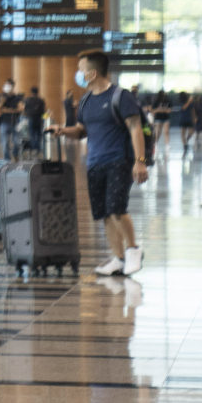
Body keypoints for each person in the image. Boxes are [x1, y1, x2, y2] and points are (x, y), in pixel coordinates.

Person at [53, 48, 147, 278]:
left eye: (81, 70)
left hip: (119, 160)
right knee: (104, 213)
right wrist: (62, 130)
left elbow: (135, 128)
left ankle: (134, 249)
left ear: (93, 73)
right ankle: (118, 258)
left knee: (116, 208)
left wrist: (140, 161)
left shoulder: (120, 96)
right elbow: (82, 131)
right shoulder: (85, 101)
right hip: (94, 163)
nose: (79, 74)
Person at [0, 77, 24, 161]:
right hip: (4, 122)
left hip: (15, 122)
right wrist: (3, 102)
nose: (6, 87)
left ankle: (15, 154)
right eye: (6, 85)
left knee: (17, 142)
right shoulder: (1, 96)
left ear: (12, 86)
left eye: (8, 85)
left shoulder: (17, 97)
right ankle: (6, 160)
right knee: (5, 143)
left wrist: (8, 110)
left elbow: (21, 108)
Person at [22, 86, 47, 159]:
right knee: (39, 134)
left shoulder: (27, 100)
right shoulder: (41, 100)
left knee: (32, 134)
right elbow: (44, 111)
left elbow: (24, 110)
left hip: (31, 119)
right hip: (39, 119)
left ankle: (34, 148)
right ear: (37, 92)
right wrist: (44, 119)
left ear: (31, 92)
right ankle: (38, 149)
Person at [150, 88, 172, 155]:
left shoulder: (168, 100)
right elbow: (153, 110)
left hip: (166, 118)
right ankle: (155, 144)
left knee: (166, 131)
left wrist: (163, 110)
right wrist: (159, 110)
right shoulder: (156, 101)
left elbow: (169, 110)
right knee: (158, 132)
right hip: (158, 118)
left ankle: (167, 145)